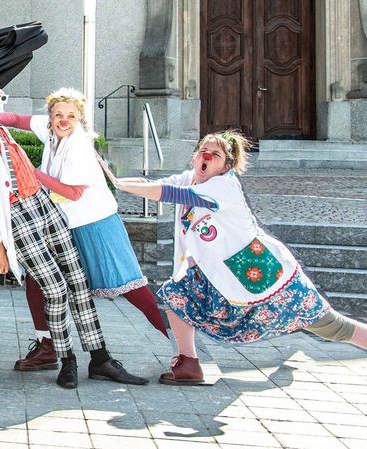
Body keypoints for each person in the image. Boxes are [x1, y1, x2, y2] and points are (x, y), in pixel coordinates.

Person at [0, 76, 147, 388]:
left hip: (43, 202)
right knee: (55, 290)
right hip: (17, 214)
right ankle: (66, 360)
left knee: (78, 281)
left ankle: (100, 358)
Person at [113, 131, 367, 384]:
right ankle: (188, 364)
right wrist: (112, 179)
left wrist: (120, 185)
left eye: (215, 154)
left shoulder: (224, 186)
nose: (206, 156)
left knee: (330, 325)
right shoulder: (191, 179)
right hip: (221, 275)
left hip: (265, 273)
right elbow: (156, 184)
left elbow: (172, 194)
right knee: (176, 294)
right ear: (194, 157)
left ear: (226, 165)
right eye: (203, 151)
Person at [0, 84, 169, 371]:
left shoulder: (79, 146)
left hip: (95, 224)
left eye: (71, 115)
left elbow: (73, 192)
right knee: (37, 279)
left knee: (129, 284)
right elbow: (18, 120)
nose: (64, 120)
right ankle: (46, 346)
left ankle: (176, 341)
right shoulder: (49, 130)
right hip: (62, 223)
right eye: (58, 114)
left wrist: (31, 173)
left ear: (79, 118)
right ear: (51, 116)